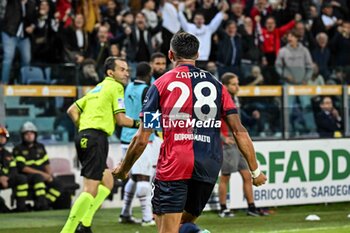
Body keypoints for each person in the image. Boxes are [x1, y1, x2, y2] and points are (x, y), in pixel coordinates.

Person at [113, 31, 267, 233]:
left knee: (165, 226)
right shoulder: (218, 85)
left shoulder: (159, 85)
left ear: (170, 55)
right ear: (197, 54)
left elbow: (142, 137)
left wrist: (125, 168)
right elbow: (239, 131)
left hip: (175, 163)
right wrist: (255, 171)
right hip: (209, 164)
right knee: (181, 224)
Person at [61, 56, 139, 233]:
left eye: (127, 69)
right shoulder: (116, 87)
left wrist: (83, 129)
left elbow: (72, 110)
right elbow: (121, 120)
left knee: (108, 181)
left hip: (86, 137)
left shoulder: (97, 88)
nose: (126, 73)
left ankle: (85, 224)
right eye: (122, 69)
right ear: (110, 72)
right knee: (90, 189)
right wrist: (140, 124)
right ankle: (68, 230)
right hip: (96, 138)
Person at [218, 73, 262, 218]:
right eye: (234, 84)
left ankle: (251, 207)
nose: (237, 87)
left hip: (238, 142)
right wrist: (223, 137)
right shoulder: (221, 99)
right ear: (225, 86)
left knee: (246, 175)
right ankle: (223, 208)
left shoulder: (235, 98)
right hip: (229, 142)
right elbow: (211, 119)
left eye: (237, 83)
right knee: (225, 176)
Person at [119, 62, 156, 226]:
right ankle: (147, 218)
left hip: (125, 138)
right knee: (144, 178)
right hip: (141, 138)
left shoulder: (128, 87)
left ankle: (125, 213)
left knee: (133, 177)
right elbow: (150, 112)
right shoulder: (147, 90)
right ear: (148, 74)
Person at [13, 121, 63, 211]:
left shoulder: (40, 147)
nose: (29, 136)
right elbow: (23, 168)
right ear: (22, 136)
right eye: (26, 134)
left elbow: (46, 164)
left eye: (31, 133)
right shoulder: (18, 149)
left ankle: (45, 203)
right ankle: (41, 204)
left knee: (58, 184)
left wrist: (49, 175)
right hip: (27, 176)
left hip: (42, 175)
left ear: (35, 135)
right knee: (38, 177)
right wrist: (43, 175)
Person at [177, 1, 228, 68]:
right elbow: (181, 18)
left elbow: (216, 20)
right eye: (197, 19)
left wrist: (222, 11)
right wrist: (178, 9)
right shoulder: (188, 27)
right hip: (191, 60)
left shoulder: (209, 29)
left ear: (204, 20)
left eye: (201, 19)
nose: (199, 21)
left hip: (204, 60)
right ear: (194, 20)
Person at [1, 0, 36, 84]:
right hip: (9, 33)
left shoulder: (31, 4)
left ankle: (24, 83)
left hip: (23, 37)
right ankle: (3, 83)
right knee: (8, 57)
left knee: (27, 59)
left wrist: (32, 26)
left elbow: (35, 18)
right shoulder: (12, 2)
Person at [0, 126, 29, 212]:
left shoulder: (8, 154)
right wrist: (1, 177)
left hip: (6, 179)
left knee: (21, 178)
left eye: (3, 137)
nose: (1, 139)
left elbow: (13, 169)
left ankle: (21, 207)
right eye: (0, 137)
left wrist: (6, 177)